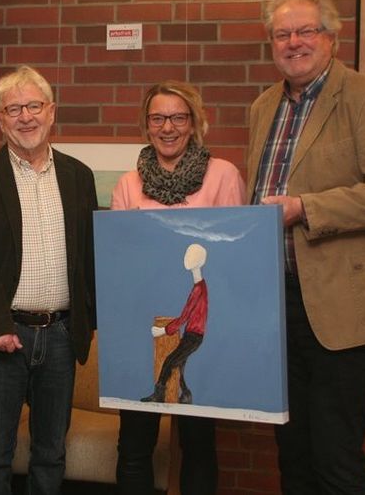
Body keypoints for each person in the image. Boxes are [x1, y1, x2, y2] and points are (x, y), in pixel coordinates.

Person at [247, 0, 365, 494]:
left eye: (305, 31)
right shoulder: (263, 106)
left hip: (341, 309)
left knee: (335, 457)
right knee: (292, 454)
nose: (293, 42)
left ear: (333, 39)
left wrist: (305, 208)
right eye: (282, 33)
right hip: (279, 308)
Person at [0, 65, 98, 495]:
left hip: (59, 336)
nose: (26, 117)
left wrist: (85, 323)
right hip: (4, 337)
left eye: (34, 105)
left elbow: (89, 256)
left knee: (50, 453)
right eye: (13, 109)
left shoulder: (78, 176)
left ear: (51, 111)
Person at [110, 80, 245, 495]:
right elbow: (121, 262)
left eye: (178, 117)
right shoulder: (128, 184)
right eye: (157, 118)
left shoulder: (223, 175)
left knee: (198, 443)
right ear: (146, 125)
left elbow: (235, 257)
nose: (167, 127)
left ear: (194, 123)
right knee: (134, 443)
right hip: (143, 325)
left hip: (199, 325)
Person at [142, 243, 208, 405]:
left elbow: (185, 315)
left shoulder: (198, 290)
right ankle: (186, 395)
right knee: (178, 364)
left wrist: (163, 330)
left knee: (170, 361)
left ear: (199, 261)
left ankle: (159, 394)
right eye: (187, 254)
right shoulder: (199, 287)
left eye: (190, 255)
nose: (186, 258)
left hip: (193, 336)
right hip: (192, 334)